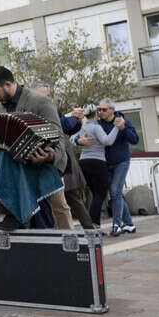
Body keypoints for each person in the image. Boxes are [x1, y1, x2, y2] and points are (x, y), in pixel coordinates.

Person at [0, 66, 73, 230]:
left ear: (8, 84)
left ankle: (70, 246)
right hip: (18, 168)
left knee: (59, 206)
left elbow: (58, 134)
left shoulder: (40, 101)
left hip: (45, 165)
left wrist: (51, 156)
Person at [30, 82, 94, 230]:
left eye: (46, 97)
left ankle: (68, 237)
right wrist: (74, 118)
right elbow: (64, 124)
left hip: (53, 163)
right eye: (40, 95)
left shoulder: (48, 107)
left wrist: (76, 119)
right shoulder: (29, 108)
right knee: (51, 204)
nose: (43, 100)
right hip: (35, 164)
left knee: (61, 203)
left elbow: (66, 126)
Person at [78, 99, 139, 236]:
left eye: (104, 110)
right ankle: (129, 224)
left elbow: (135, 140)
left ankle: (116, 225)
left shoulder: (121, 121)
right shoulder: (97, 124)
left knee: (114, 191)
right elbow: (80, 136)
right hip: (105, 164)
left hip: (121, 162)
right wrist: (79, 141)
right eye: (99, 109)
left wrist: (122, 128)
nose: (100, 112)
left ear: (112, 110)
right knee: (116, 193)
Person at [74, 104, 118, 230]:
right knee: (100, 194)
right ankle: (93, 225)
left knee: (94, 194)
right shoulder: (96, 127)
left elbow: (76, 139)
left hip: (84, 162)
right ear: (96, 115)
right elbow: (107, 141)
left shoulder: (82, 127)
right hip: (97, 162)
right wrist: (116, 128)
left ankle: (95, 224)